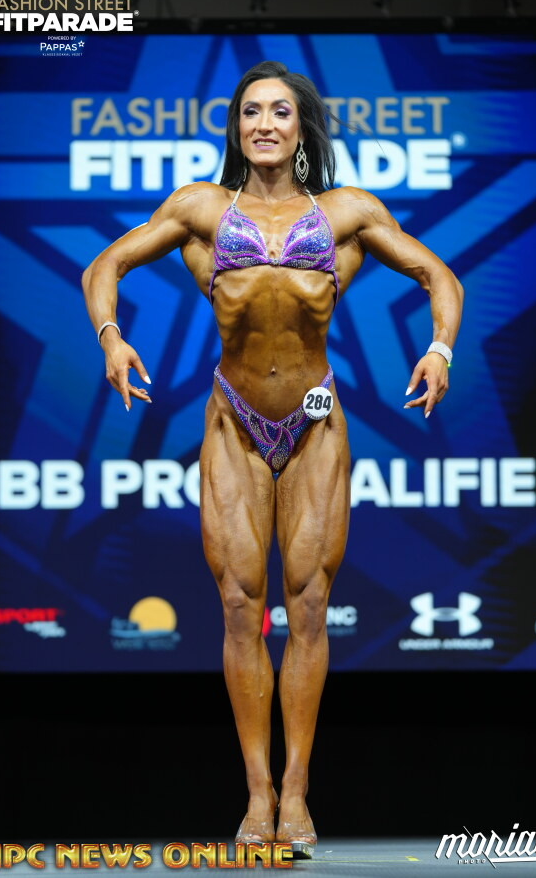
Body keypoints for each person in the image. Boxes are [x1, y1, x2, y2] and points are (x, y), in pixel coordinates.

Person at [81, 60, 464, 858]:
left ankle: (297, 790)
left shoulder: (346, 212)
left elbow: (438, 274)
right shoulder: (202, 209)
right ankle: (256, 792)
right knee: (237, 604)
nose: (264, 123)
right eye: (251, 111)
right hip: (234, 422)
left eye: (280, 112)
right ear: (236, 127)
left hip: (316, 423)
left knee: (310, 605)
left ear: (300, 128)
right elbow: (103, 265)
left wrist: (439, 349)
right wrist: (112, 339)